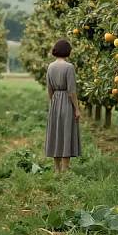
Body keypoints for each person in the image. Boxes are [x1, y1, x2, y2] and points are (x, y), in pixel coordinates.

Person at [45, 39, 81, 172]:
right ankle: (65, 168)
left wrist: (52, 102)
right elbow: (71, 91)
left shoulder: (50, 67)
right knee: (66, 133)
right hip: (66, 101)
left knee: (55, 133)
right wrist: (76, 109)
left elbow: (49, 88)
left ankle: (56, 169)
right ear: (67, 51)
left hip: (55, 101)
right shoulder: (69, 67)